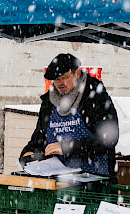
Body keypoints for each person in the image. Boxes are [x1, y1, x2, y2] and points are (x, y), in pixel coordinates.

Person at [20, 53, 119, 182]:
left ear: (77, 72)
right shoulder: (48, 102)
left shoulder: (96, 96)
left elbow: (108, 138)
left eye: (64, 77)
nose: (60, 83)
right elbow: (39, 138)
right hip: (58, 183)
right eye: (56, 80)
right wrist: (29, 153)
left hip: (95, 181)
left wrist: (68, 147)